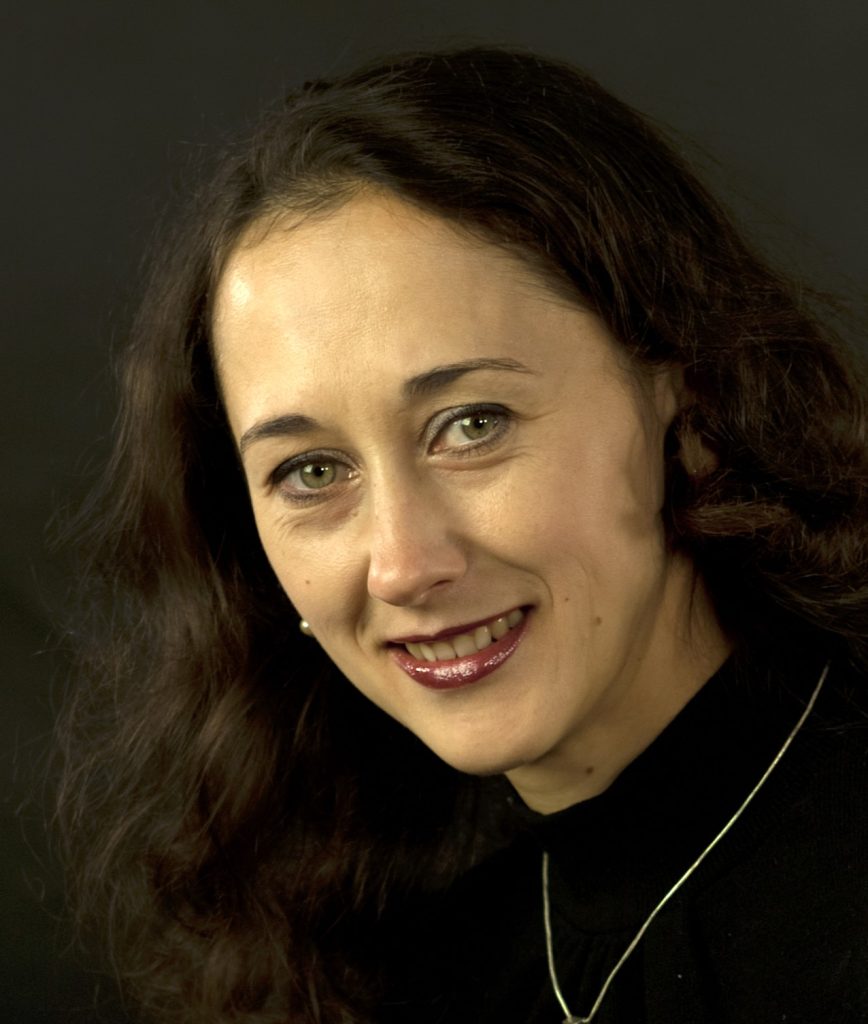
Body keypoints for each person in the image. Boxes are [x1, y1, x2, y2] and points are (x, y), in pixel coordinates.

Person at [56, 47, 868, 1024]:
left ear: (686, 397)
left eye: (473, 425)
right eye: (311, 472)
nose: (404, 565)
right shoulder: (406, 975)